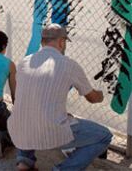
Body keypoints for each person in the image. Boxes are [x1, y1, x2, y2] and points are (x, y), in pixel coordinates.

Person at [8, 24, 112, 170]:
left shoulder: (24, 62)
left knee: (27, 113)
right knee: (104, 135)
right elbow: (93, 98)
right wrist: (101, 94)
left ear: (42, 41)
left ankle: (25, 161)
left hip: (18, 127)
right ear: (62, 42)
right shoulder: (69, 64)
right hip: (51, 132)